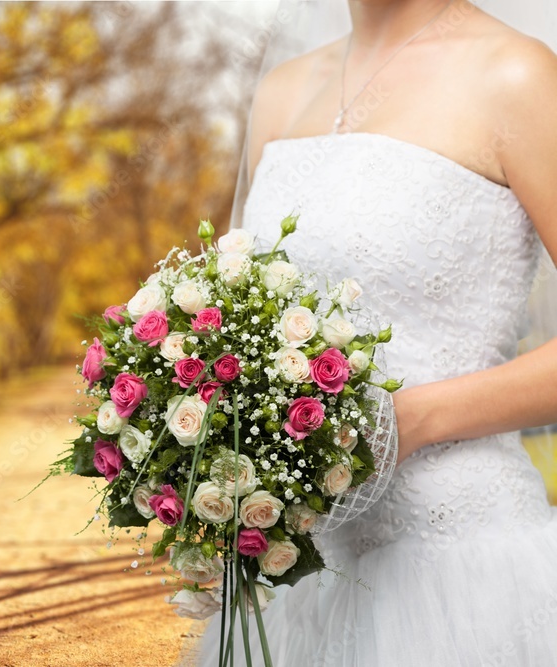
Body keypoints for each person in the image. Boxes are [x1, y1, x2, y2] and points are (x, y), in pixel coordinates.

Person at [186, 1, 557, 665]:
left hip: (463, 570)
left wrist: (409, 420)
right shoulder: (283, 90)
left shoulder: (516, 74)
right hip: (301, 576)